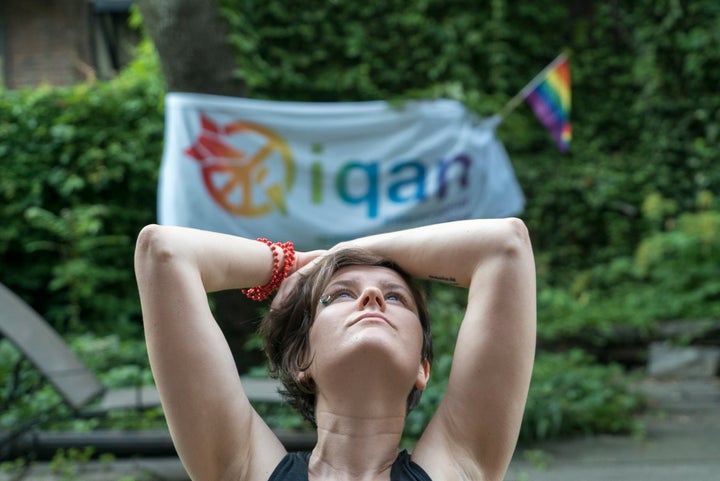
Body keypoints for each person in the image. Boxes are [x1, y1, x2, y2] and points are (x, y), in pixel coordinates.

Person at [134, 218, 536, 481]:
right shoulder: (243, 468)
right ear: (300, 359)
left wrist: (334, 257)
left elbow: (505, 246)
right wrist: (285, 265)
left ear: (422, 367)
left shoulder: (459, 465)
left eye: (396, 298)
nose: (374, 295)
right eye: (339, 296)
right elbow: (163, 251)